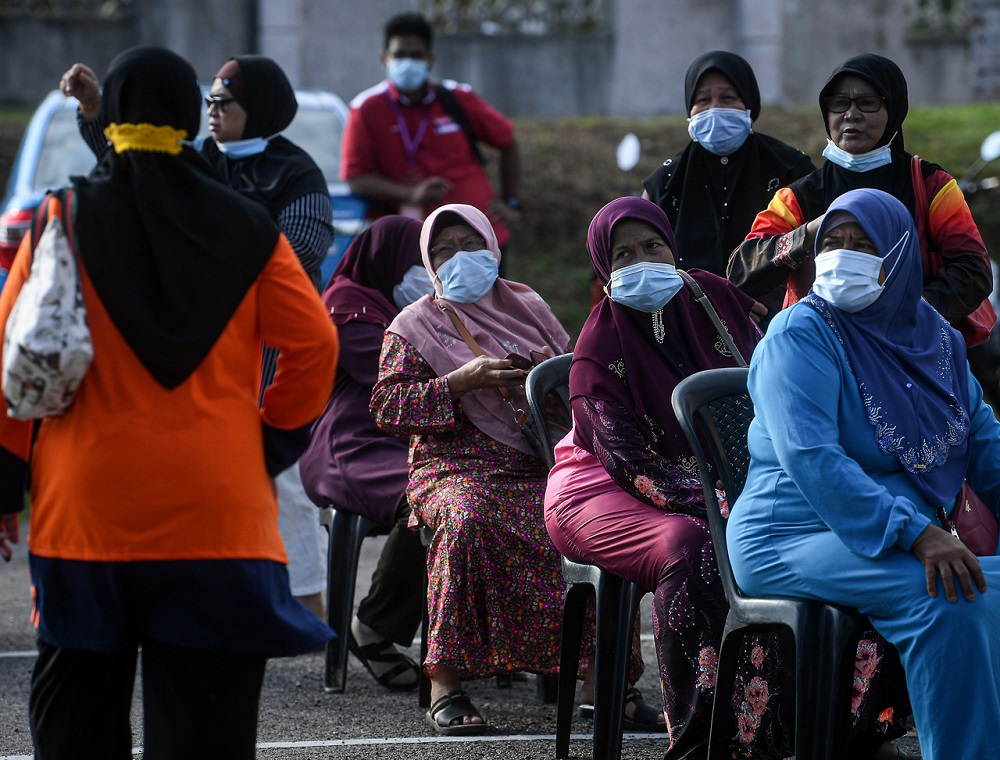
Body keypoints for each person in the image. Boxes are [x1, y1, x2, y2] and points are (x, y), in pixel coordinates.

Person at [1, 46, 338, 758]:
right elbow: (315, 346)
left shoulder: (61, 220)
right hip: (218, 519)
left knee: (76, 728)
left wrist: (6, 486)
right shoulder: (250, 226)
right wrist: (270, 441)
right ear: (191, 118)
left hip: (85, 518)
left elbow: (9, 359)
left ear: (113, 117)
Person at [727, 187, 1000, 760]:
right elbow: (812, 459)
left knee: (986, 587)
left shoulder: (937, 339)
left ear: (899, 256)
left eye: (864, 245)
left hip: (899, 533)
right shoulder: (801, 334)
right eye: (833, 242)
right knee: (951, 600)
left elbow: (984, 442)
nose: (842, 257)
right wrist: (918, 534)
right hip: (791, 533)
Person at [61, 54, 336, 620]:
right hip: (205, 347)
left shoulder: (297, 173)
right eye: (207, 102)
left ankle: (305, 603)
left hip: (267, 349)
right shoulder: (197, 163)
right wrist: (95, 110)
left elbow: (300, 251)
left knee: (283, 484)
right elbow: (133, 165)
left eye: (224, 103)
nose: (212, 112)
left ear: (256, 109)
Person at [544, 197, 764, 758]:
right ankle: (699, 742)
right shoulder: (599, 347)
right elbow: (630, 463)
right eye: (623, 255)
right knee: (696, 547)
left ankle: (774, 730)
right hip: (598, 487)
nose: (642, 262)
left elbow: (774, 378)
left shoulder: (714, 298)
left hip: (722, 485)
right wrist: (723, 503)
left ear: (674, 247)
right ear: (604, 268)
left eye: (653, 247)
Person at [370, 203, 569, 735]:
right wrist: (460, 383)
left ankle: (597, 684)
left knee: (583, 522)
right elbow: (388, 406)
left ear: (492, 246)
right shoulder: (414, 324)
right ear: (429, 264)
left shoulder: (527, 305)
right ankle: (445, 684)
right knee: (468, 521)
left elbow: (574, 379)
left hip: (538, 460)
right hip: (452, 465)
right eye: (444, 250)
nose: (460, 257)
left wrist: (537, 382)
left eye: (470, 244)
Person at [727, 53, 992, 336]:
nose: (851, 115)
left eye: (868, 103)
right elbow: (741, 271)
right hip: (821, 343)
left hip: (912, 340)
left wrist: (910, 315)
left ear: (895, 110)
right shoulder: (798, 198)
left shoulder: (931, 186)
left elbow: (973, 268)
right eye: (839, 104)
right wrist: (809, 235)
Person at [299, 216, 433, 691]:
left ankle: (487, 641)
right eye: (418, 262)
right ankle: (374, 627)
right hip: (352, 446)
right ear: (387, 261)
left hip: (409, 438)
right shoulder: (346, 305)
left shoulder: (416, 307)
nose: (429, 271)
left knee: (493, 495)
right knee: (434, 501)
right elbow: (395, 375)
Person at [642, 50, 815, 316]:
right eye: (703, 100)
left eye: (727, 98)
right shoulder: (665, 183)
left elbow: (809, 251)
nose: (714, 109)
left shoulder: (789, 169)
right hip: (686, 322)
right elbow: (646, 265)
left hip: (777, 319)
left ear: (749, 104)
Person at [341, 12, 522, 253]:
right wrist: (410, 193)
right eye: (399, 55)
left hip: (480, 240)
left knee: (495, 293)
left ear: (430, 59)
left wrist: (511, 201)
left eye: (416, 55)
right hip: (415, 246)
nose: (407, 62)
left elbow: (507, 140)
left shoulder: (457, 97)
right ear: (384, 59)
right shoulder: (366, 108)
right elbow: (356, 178)